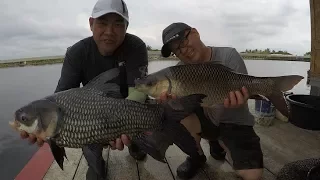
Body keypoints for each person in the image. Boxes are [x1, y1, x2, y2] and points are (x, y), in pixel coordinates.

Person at [19, 0, 149, 179]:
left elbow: (140, 90)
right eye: (102, 23)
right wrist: (47, 126)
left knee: (139, 136)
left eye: (118, 24)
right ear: (91, 24)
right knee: (84, 134)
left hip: (128, 106)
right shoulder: (76, 52)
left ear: (126, 26)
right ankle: (96, 165)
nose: (109, 32)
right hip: (91, 109)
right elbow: (61, 98)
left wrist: (124, 124)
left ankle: (136, 144)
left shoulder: (136, 46)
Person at [159, 22, 264, 180]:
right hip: (207, 120)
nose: (183, 50)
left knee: (252, 176)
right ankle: (197, 155)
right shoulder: (180, 70)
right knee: (173, 112)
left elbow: (244, 89)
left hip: (236, 123)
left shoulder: (228, 55)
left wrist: (243, 99)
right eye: (177, 50)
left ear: (195, 32)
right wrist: (170, 102)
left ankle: (218, 143)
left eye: (183, 42)